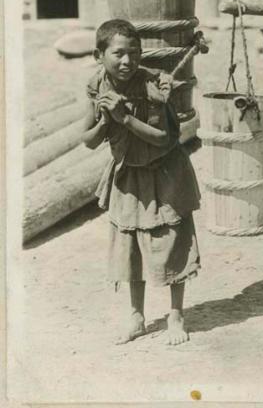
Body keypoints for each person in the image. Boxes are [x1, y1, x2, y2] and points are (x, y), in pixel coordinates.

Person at [83, 19, 201, 345]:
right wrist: (106, 119)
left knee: (172, 240)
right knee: (129, 245)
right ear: (99, 55)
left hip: (165, 171)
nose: (127, 61)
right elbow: (88, 139)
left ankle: (176, 314)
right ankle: (137, 316)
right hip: (128, 175)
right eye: (118, 53)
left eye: (134, 53)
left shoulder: (154, 85)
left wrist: (125, 119)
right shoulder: (97, 86)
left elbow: (164, 139)